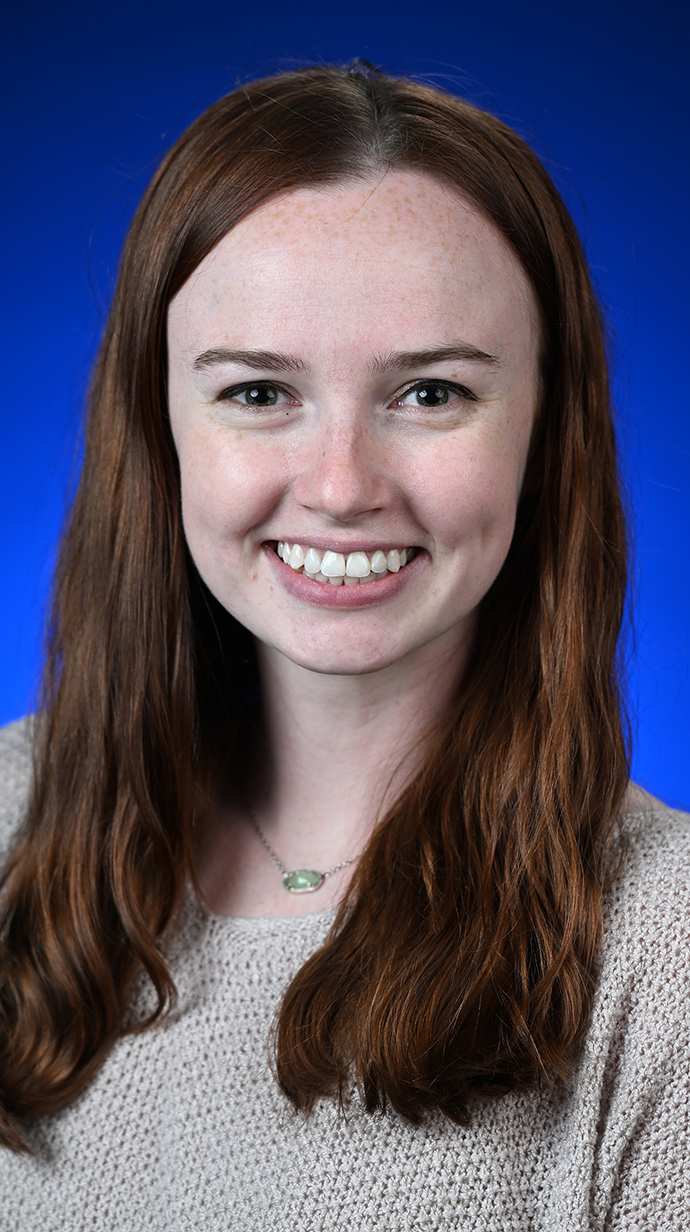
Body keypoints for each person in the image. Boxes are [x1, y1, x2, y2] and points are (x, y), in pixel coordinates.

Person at [0, 64, 688, 1230]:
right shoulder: (8, 809)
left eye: (428, 393)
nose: (339, 487)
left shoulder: (664, 949)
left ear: (545, 428)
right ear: (156, 428)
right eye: (261, 392)